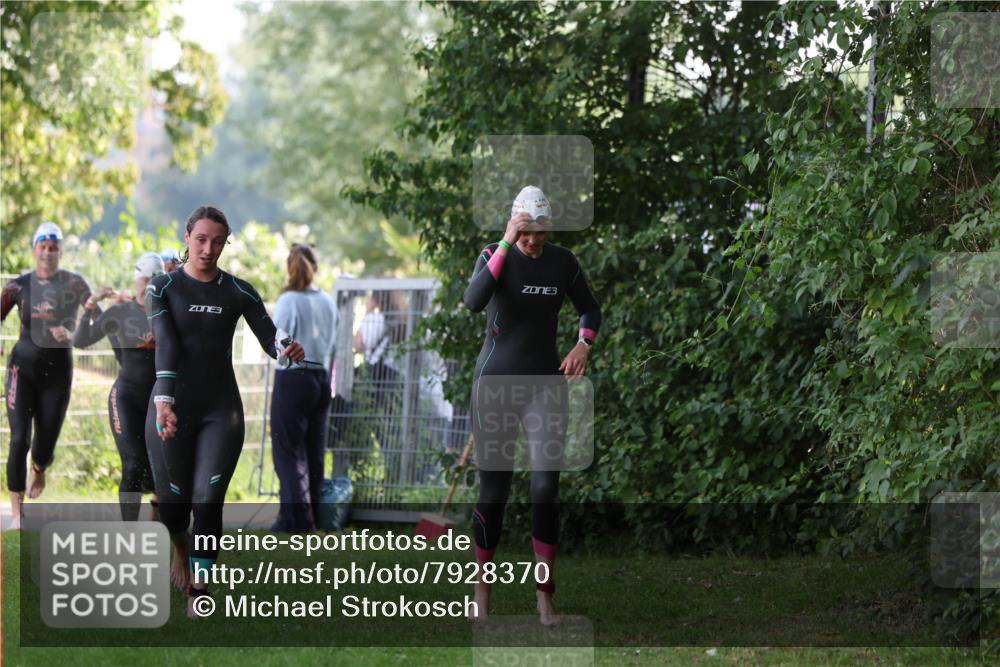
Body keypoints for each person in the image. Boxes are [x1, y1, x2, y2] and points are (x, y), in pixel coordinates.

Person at [144, 206, 304, 617]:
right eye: (201, 239)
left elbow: (270, 337)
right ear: (187, 237)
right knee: (173, 507)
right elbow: (167, 343)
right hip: (169, 406)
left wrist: (286, 350)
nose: (208, 249)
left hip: (221, 410)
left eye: (217, 241)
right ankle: (181, 551)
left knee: (208, 499)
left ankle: (199, 588)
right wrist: (164, 400)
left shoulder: (238, 290)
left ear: (225, 243)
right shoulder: (162, 287)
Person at [462, 186, 601, 625]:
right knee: (494, 492)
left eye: (540, 233)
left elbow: (590, 310)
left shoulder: (564, 262)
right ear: (514, 224)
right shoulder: (494, 254)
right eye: (525, 233)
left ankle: (544, 597)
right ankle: (482, 592)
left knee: (544, 490)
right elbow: (473, 301)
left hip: (545, 386)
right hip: (495, 386)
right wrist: (507, 240)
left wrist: (583, 344)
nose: (533, 242)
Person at [1, 222, 94, 530]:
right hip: (22, 369)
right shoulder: (18, 286)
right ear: (34, 250)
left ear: (61, 252)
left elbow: (97, 320)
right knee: (19, 439)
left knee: (45, 442)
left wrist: (73, 333)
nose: (48, 253)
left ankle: (39, 468)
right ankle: (17, 515)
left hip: (57, 373)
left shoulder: (75, 283)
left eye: (54, 248)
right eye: (43, 247)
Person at [73, 252, 165, 522]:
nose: (149, 286)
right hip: (126, 398)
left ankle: (163, 524)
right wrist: (91, 303)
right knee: (134, 465)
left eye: (155, 280)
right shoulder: (120, 313)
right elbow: (81, 340)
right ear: (137, 280)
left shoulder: (168, 314)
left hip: (159, 401)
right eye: (145, 280)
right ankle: (129, 535)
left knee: (161, 472)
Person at [269, 244, 337, 533]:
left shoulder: (289, 300)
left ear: (289, 267)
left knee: (288, 451)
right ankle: (314, 518)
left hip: (293, 378)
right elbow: (333, 342)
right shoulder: (328, 301)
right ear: (316, 268)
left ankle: (296, 521)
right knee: (313, 451)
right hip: (321, 378)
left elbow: (279, 346)